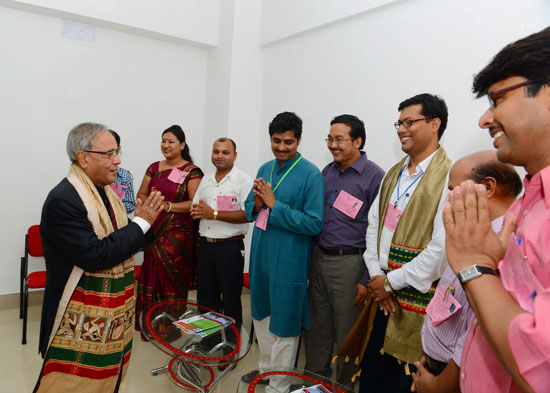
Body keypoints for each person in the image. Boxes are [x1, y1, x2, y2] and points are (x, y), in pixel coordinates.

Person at [443, 27, 550, 393]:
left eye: (496, 99)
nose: (485, 119)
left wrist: (475, 267)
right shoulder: (532, 198)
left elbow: (541, 366)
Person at [34, 122, 165, 393]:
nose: (117, 161)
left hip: (110, 321)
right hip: (75, 319)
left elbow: (125, 241)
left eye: (118, 152)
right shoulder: (64, 199)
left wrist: (145, 223)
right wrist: (140, 224)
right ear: (83, 157)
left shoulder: (105, 193)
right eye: (109, 153)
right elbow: (95, 255)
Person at [360, 93, 451, 393]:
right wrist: (377, 277)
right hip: (382, 293)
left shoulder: (448, 176)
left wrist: (390, 282)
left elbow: (440, 251)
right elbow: (373, 226)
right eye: (399, 122)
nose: (401, 129)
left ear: (434, 124)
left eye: (409, 122)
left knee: (404, 383)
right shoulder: (393, 173)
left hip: (417, 303)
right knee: (373, 376)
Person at [411, 150, 522, 393]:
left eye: (453, 190)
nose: (448, 199)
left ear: (488, 187)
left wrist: (438, 386)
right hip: (436, 366)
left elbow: (477, 335)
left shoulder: (504, 245)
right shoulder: (472, 231)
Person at [241, 112, 325, 393]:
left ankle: (279, 386)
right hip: (261, 256)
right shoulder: (265, 168)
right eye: (276, 141)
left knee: (285, 324)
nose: (281, 147)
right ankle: (267, 373)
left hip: (289, 261)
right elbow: (248, 209)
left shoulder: (311, 174)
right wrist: (256, 203)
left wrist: (275, 205)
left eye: (288, 142)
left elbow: (314, 223)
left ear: (298, 140)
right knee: (261, 317)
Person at [305, 114, 384, 387]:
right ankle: (313, 383)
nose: (333, 145)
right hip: (319, 258)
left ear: (357, 141)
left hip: (351, 264)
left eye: (339, 139)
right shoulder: (326, 172)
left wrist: (366, 279)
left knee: (348, 332)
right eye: (330, 139)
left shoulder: (375, 177)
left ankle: (344, 387)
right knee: (316, 328)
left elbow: (381, 231)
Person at [135, 125, 203, 333]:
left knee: (172, 279)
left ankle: (170, 327)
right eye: (163, 140)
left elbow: (195, 203)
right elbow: (142, 193)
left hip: (177, 237)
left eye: (171, 141)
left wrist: (168, 207)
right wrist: (144, 205)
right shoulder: (154, 168)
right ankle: (148, 324)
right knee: (150, 273)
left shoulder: (191, 171)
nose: (166, 145)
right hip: (153, 229)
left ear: (182, 145)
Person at [190, 137, 253, 323]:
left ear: (235, 155)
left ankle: (232, 346)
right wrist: (198, 211)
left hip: (230, 248)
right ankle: (209, 342)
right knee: (206, 298)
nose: (219, 156)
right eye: (216, 151)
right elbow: (195, 206)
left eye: (225, 152)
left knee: (231, 299)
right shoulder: (206, 179)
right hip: (206, 246)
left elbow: (248, 215)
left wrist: (213, 213)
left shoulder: (243, 180)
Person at [109, 129, 136, 214]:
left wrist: (111, 209)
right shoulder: (91, 176)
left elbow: (131, 204)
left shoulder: (124, 176)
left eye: (112, 151)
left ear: (118, 148)